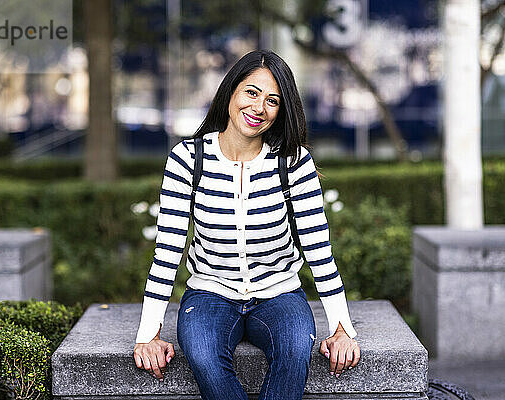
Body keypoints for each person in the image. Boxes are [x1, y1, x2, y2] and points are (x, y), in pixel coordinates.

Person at [133, 49, 360, 400]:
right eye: (251, 93)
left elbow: (318, 249)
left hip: (280, 294)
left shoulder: (294, 162)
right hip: (209, 294)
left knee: (296, 349)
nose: (259, 108)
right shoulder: (188, 159)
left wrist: (343, 328)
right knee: (204, 355)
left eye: (273, 100)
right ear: (231, 92)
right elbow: (167, 252)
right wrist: (148, 334)